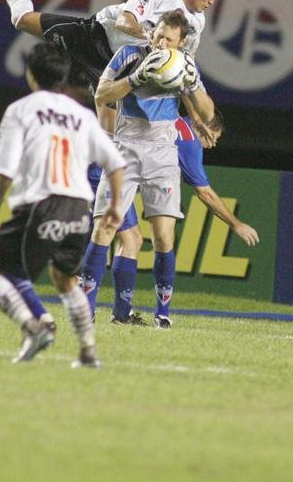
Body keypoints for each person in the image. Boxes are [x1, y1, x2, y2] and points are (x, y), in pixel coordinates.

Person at [0, 43, 126, 368]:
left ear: (31, 74)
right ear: (62, 76)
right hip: (79, 209)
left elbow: (5, 167)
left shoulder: (22, 110)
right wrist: (115, 206)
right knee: (65, 279)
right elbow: (115, 162)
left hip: (42, 205)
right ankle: (88, 351)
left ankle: (34, 327)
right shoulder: (82, 115)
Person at [79, 9, 214, 329]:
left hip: (163, 156)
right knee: (104, 228)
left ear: (180, 44)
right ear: (152, 33)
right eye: (158, 36)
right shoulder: (129, 55)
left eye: (169, 40)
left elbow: (208, 112)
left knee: (164, 237)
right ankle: (86, 310)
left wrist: (193, 83)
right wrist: (135, 78)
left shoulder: (184, 65)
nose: (161, 43)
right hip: (124, 150)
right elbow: (102, 94)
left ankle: (162, 314)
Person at [83, 110, 261, 326]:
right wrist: (236, 224)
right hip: (103, 172)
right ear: (205, 127)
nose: (213, 144)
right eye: (215, 137)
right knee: (128, 238)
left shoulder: (172, 119)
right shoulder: (188, 141)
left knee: (131, 239)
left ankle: (120, 314)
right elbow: (205, 193)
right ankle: (104, 310)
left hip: (100, 164)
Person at [0, 0, 223, 86]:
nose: (212, 1)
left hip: (120, 67)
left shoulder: (197, 23)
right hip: (96, 37)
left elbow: (185, 63)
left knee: (111, 124)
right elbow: (124, 21)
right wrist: (154, 38)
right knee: (22, 21)